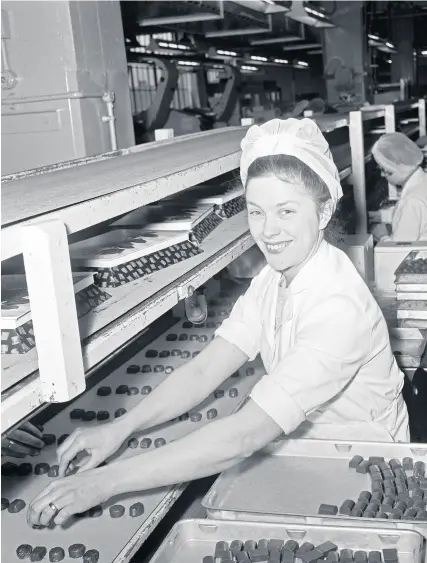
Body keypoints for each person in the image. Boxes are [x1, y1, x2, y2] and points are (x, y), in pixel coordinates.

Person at [26, 118, 409, 528]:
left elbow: (244, 434)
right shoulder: (275, 277)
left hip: (368, 473)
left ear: (324, 210)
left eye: (286, 211)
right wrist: (120, 429)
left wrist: (107, 482)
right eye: (256, 212)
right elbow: (207, 367)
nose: (268, 230)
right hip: (316, 455)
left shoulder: (338, 307)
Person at [371, 132, 427, 241]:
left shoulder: (412, 201)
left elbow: (399, 254)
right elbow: (415, 218)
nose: (383, 175)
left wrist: (382, 236)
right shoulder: (423, 179)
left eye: (385, 170)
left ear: (397, 167)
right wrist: (382, 216)